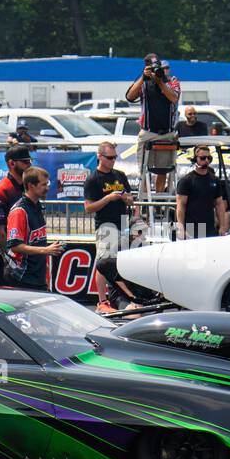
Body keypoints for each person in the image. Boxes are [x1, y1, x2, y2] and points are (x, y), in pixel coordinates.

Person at [84, 142, 135, 314]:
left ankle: (122, 296)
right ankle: (102, 301)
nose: (113, 160)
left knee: (122, 262)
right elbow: (88, 208)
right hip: (106, 224)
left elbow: (130, 199)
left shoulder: (120, 175)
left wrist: (126, 199)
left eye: (115, 157)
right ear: (100, 156)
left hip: (123, 222)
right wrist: (108, 198)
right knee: (104, 262)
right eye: (110, 157)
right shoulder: (93, 178)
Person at [125, 53, 181, 193]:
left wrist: (160, 81)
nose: (159, 70)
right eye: (152, 67)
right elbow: (130, 97)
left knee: (163, 170)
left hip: (167, 132)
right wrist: (143, 78)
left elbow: (174, 98)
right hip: (148, 132)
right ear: (146, 68)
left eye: (160, 67)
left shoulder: (172, 81)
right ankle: (144, 202)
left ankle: (159, 201)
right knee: (144, 170)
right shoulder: (143, 82)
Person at [4, 167, 61, 290]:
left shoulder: (37, 206)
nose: (47, 188)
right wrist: (45, 250)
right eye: (43, 184)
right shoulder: (19, 211)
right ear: (31, 186)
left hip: (37, 277)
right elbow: (15, 246)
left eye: (47, 184)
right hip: (21, 278)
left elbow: (36, 242)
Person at [0, 145, 31, 285]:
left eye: (30, 161)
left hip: (24, 250)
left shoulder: (26, 186)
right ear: (11, 163)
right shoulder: (1, 190)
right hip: (8, 254)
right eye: (25, 162)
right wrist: (8, 259)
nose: (29, 165)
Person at [175, 145, 228, 239]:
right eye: (203, 158)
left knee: (209, 248)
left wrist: (222, 226)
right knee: (195, 248)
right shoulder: (187, 180)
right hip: (192, 226)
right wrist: (181, 227)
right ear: (195, 159)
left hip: (210, 226)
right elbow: (181, 205)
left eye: (209, 158)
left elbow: (219, 204)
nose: (206, 160)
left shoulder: (215, 180)